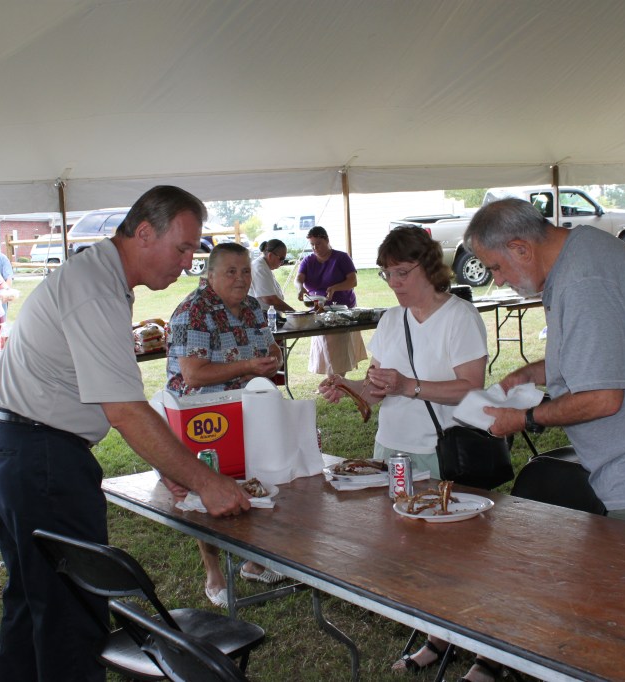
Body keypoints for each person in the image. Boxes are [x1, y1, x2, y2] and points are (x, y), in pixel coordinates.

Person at [0, 186, 250, 682]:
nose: (188, 262)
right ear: (144, 232)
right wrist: (205, 481)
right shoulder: (96, 288)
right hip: (41, 456)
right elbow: (124, 409)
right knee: (71, 617)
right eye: (182, 248)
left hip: (14, 445)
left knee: (32, 600)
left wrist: (173, 466)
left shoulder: (98, 277)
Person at [466, 199, 625, 533]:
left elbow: (603, 398)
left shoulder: (584, 282)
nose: (498, 281)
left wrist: (525, 418)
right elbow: (605, 353)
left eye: (496, 267)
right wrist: (532, 372)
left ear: (521, 249)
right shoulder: (581, 251)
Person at [317, 226, 491, 681]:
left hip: (440, 452)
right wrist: (349, 386)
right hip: (392, 451)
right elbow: (379, 389)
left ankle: (487, 655)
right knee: (409, 556)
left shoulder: (459, 317)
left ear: (428, 267)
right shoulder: (392, 320)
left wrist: (407, 386)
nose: (394, 283)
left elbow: (471, 388)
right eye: (387, 273)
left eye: (402, 272)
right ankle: (437, 638)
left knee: (456, 557)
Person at [166, 243, 285, 605]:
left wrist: (272, 359)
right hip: (203, 415)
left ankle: (253, 559)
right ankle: (213, 571)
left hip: (249, 408)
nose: (241, 278)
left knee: (256, 479)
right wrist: (247, 367)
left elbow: (269, 349)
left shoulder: (252, 307)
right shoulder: (193, 312)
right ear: (211, 275)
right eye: (231, 272)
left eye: (245, 271)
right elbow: (193, 374)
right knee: (207, 490)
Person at [295, 226, 366, 374]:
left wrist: (335, 288)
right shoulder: (308, 261)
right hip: (318, 310)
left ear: (327, 240)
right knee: (325, 348)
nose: (315, 248)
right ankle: (333, 379)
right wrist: (300, 288)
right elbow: (298, 279)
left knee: (339, 348)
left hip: (342, 309)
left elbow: (352, 281)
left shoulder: (341, 257)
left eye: (318, 243)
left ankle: (337, 380)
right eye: (312, 245)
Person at [249, 238, 295, 312]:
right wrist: (294, 313)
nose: (282, 262)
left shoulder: (264, 266)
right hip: (262, 315)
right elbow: (269, 299)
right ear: (270, 255)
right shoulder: (260, 268)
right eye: (281, 258)